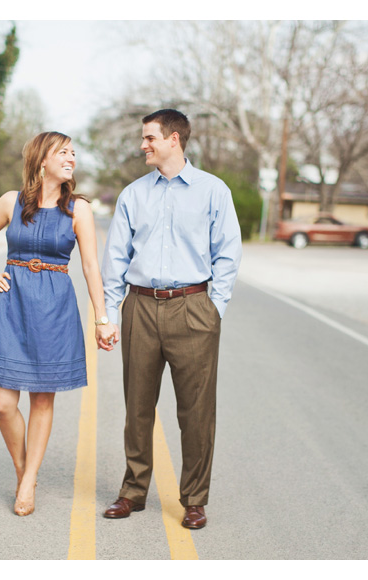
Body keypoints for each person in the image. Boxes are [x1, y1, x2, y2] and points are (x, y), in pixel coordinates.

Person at [97, 109, 242, 529]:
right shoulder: (133, 195)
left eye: (150, 138)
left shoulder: (213, 191)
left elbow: (228, 254)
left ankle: (194, 499)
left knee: (196, 411)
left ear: (173, 139)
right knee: (137, 406)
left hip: (193, 307)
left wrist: (215, 308)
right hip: (140, 306)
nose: (143, 145)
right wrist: (108, 313)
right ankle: (133, 491)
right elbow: (116, 260)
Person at [0, 131, 112, 517]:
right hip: (12, 302)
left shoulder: (78, 209)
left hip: (54, 306)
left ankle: (29, 480)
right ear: (41, 159)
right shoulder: (9, 202)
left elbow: (90, 267)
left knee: (41, 398)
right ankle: (23, 469)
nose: (71, 158)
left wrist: (102, 319)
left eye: (73, 152)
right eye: (63, 152)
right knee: (3, 403)